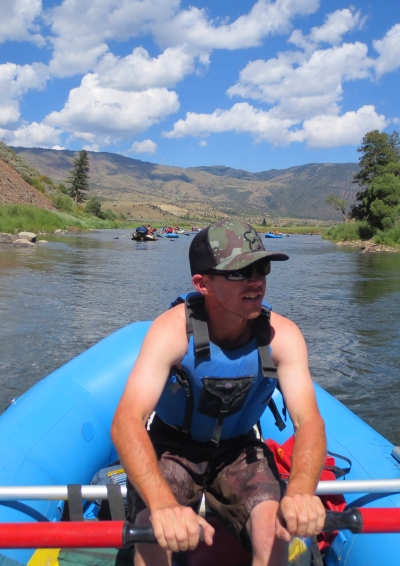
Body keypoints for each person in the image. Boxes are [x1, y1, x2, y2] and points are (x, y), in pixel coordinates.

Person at [111, 220, 327, 566]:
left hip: (240, 449)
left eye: (262, 268)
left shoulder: (282, 336)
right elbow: (127, 420)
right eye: (240, 272)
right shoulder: (171, 331)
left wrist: (301, 492)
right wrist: (163, 505)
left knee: (275, 533)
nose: (256, 280)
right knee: (152, 533)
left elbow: (308, 419)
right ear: (202, 283)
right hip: (173, 448)